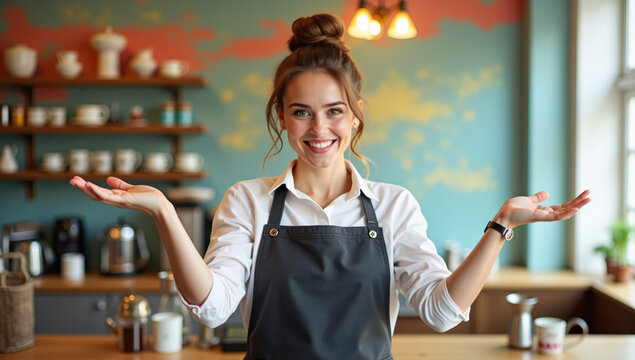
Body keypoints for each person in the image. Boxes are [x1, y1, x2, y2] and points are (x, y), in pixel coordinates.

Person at [70, 13, 591, 360]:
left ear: (356, 116)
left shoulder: (392, 205)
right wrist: (162, 210)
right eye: (301, 113)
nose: (319, 130)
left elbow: (440, 311)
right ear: (281, 116)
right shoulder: (248, 201)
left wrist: (500, 226)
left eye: (334, 112)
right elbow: (213, 306)